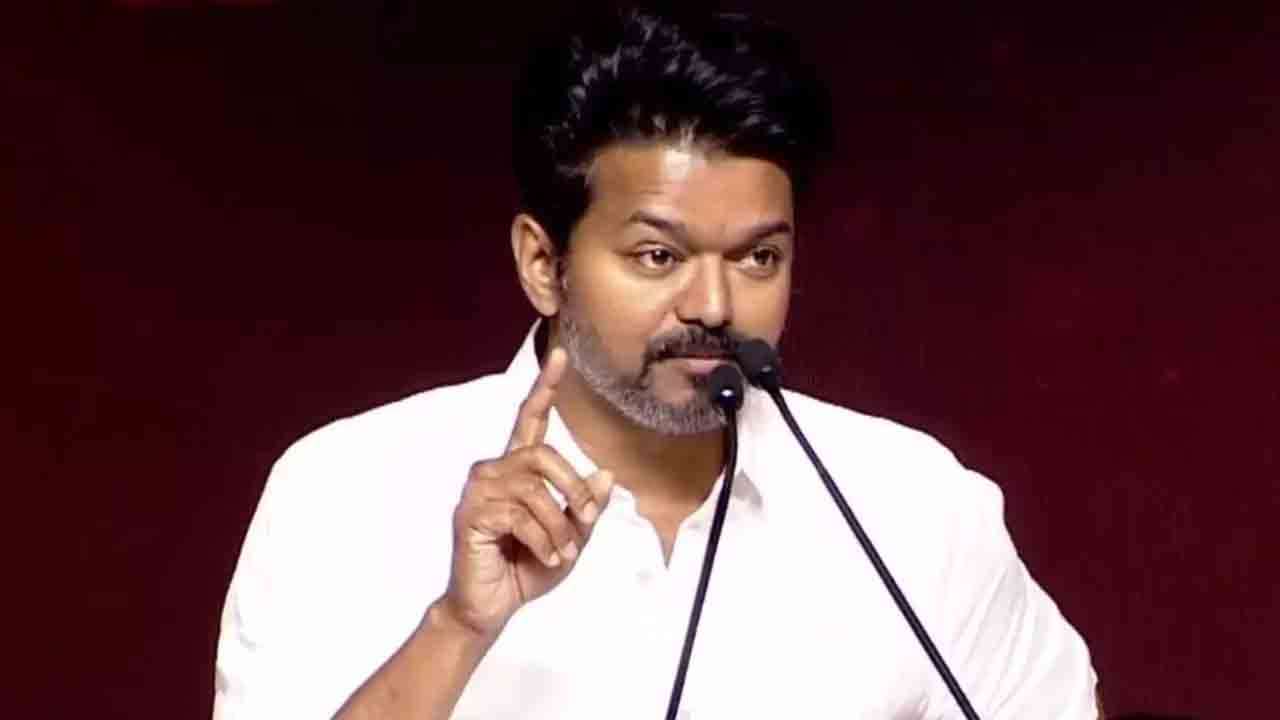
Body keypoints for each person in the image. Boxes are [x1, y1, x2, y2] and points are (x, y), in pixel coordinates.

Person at [213, 7, 1101, 719]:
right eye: (657, 256)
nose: (714, 305)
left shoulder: (916, 506)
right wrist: (456, 628)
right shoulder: (346, 492)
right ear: (542, 263)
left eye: (759, 258)